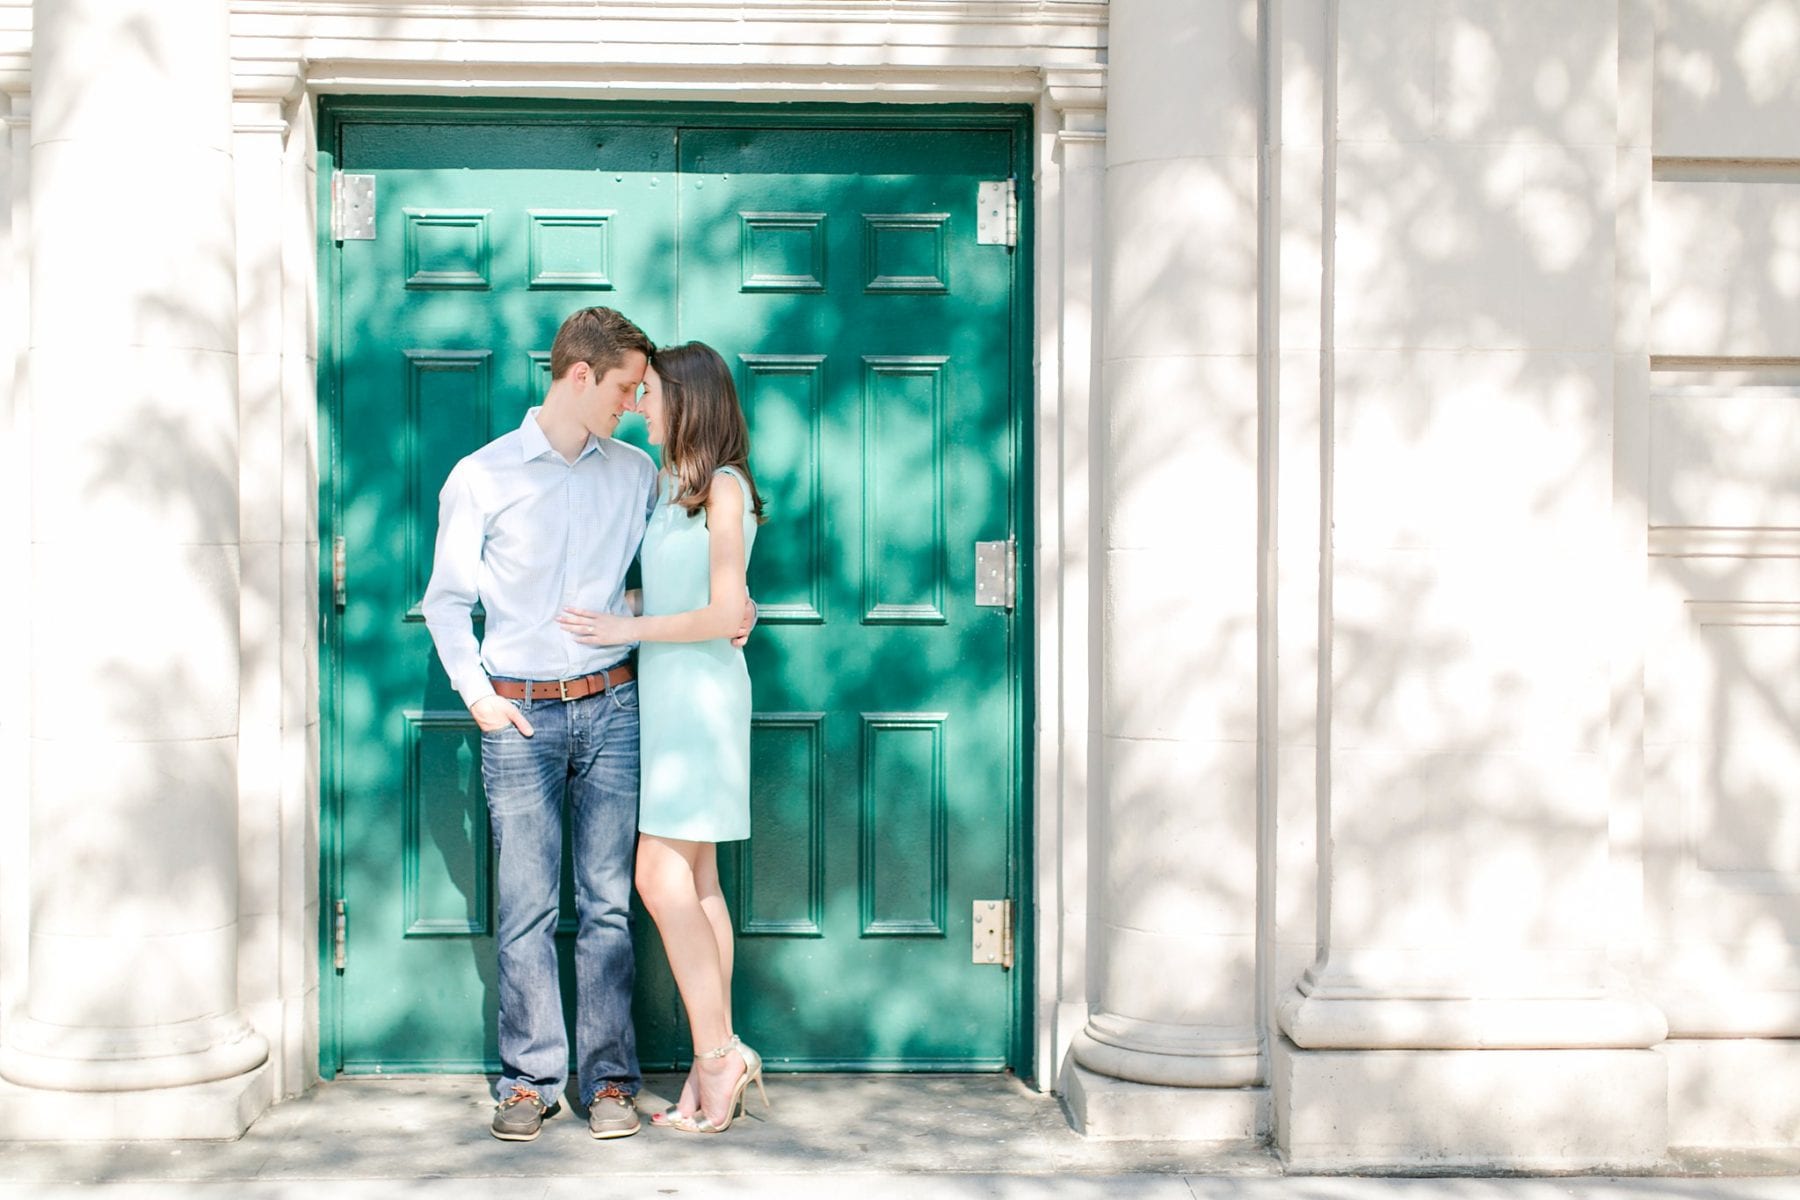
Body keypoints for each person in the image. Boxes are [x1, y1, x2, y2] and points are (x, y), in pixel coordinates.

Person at [420, 306, 661, 1144]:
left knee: (607, 907)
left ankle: (609, 1082)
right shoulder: (481, 476)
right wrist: (480, 698)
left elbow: (684, 545)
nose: (632, 404)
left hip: (611, 708)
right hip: (518, 714)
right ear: (580, 375)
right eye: (625, 388)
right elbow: (446, 604)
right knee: (524, 908)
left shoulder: (635, 472)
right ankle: (529, 1081)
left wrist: (715, 607)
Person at [558, 341, 769, 1134]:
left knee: (658, 878)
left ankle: (715, 1056)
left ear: (689, 399)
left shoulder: (723, 488)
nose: (642, 406)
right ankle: (721, 1060)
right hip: (674, 696)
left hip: (702, 703)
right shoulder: (674, 489)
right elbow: (699, 595)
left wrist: (628, 623)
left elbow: (721, 611)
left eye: (650, 394)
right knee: (700, 880)